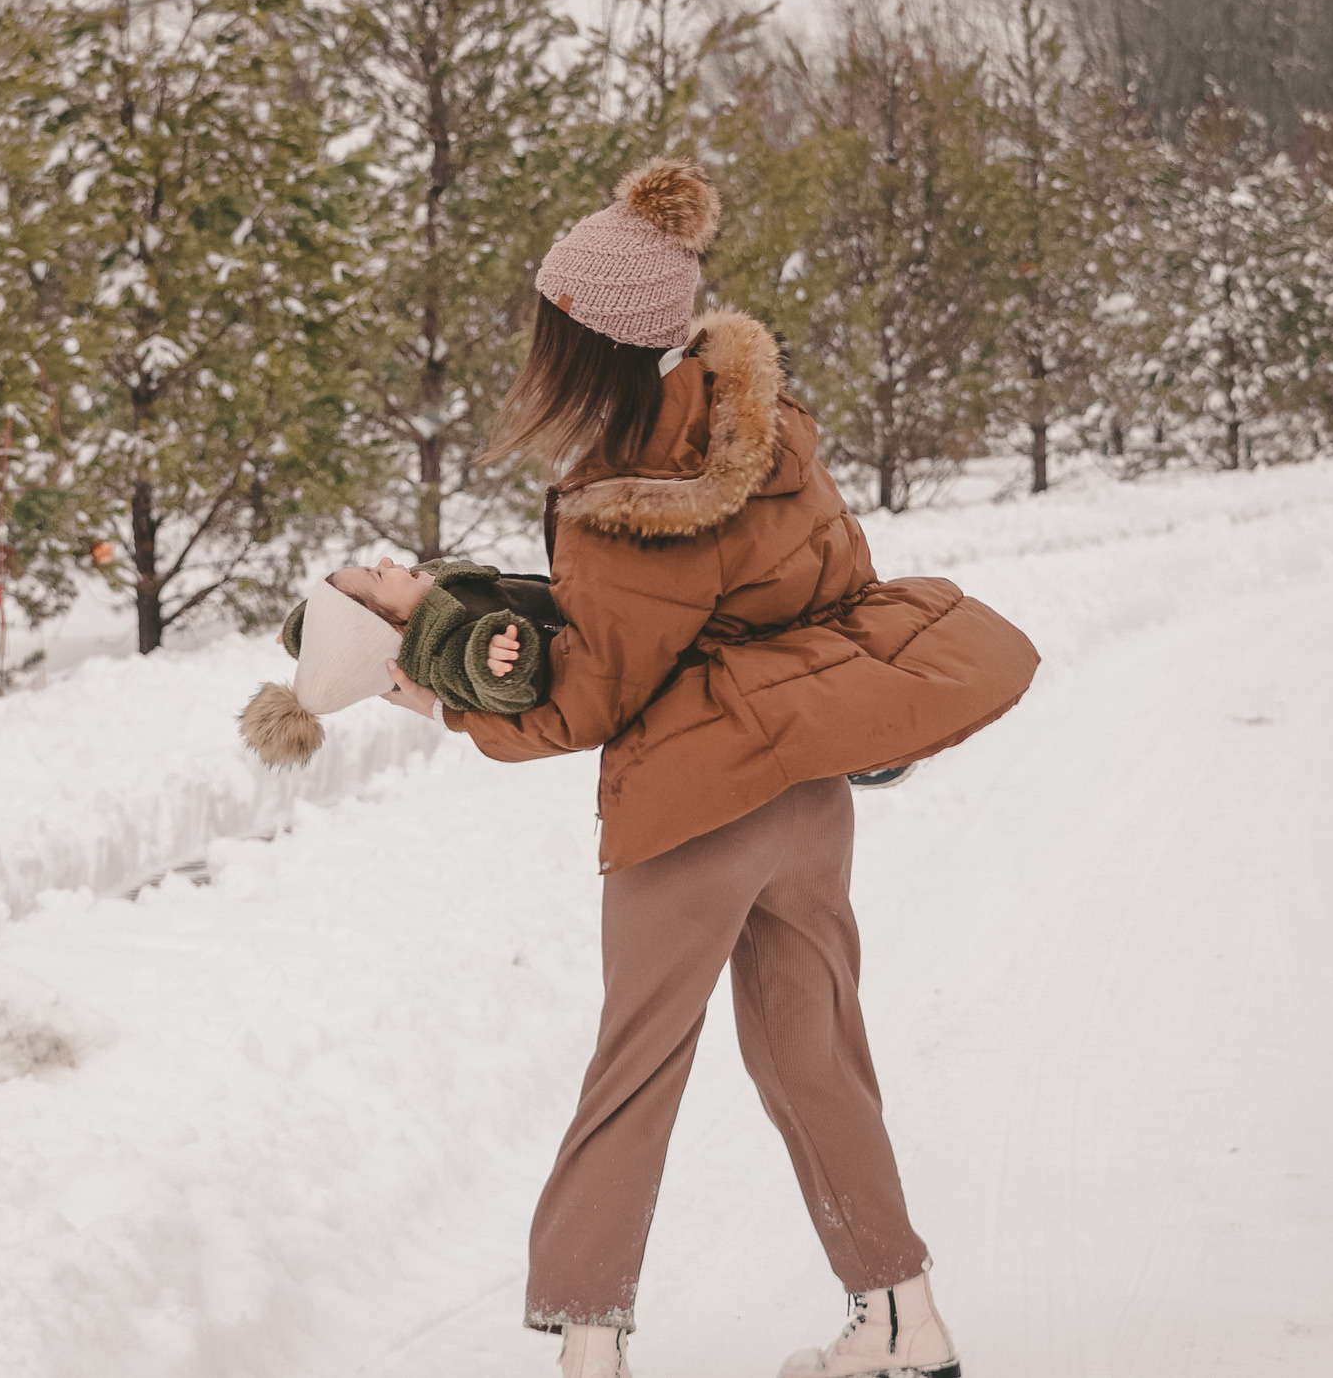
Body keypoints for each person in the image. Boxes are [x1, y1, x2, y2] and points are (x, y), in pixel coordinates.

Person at [378, 157, 1040, 1378]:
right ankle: (902, 1321)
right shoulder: (769, 425)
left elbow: (590, 698)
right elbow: (833, 586)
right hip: (804, 794)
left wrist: (435, 693)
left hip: (693, 810)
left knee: (635, 1071)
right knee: (814, 1051)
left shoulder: (626, 491)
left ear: (588, 340)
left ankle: (590, 1354)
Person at [237, 557, 563, 767]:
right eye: (378, 575)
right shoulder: (440, 652)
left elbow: (345, 622)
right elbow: (471, 678)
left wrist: (302, 627)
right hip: (580, 635)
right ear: (392, 628)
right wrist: (490, 664)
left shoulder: (420, 595)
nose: (386, 561)